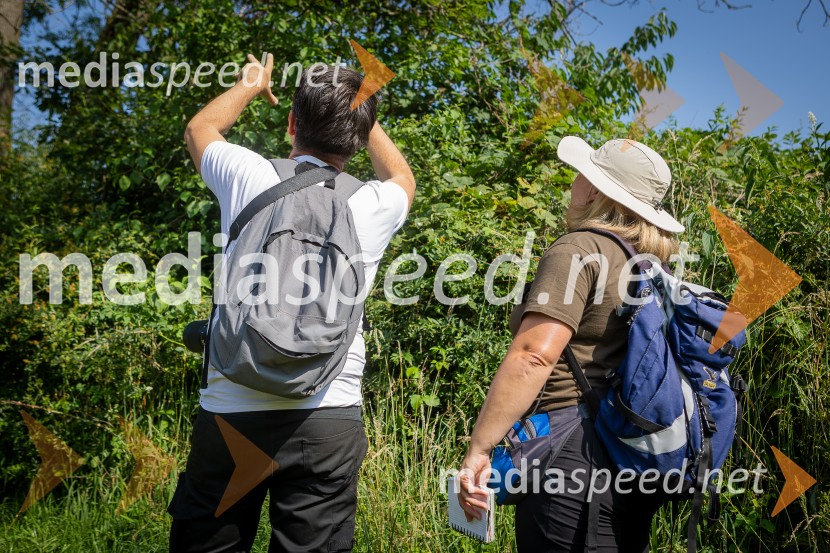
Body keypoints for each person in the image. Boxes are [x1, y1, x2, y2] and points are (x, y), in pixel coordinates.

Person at [168, 53, 415, 553]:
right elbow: (403, 177)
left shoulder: (249, 176)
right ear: (355, 137)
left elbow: (200, 129)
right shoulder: (372, 204)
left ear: (290, 124)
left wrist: (250, 84)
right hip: (327, 413)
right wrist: (359, 116)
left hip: (231, 405)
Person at [458, 136, 684, 552]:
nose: (574, 183)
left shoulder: (579, 248)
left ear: (596, 189)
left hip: (571, 453)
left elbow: (533, 355)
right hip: (629, 452)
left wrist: (479, 447)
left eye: (582, 174)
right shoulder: (652, 265)